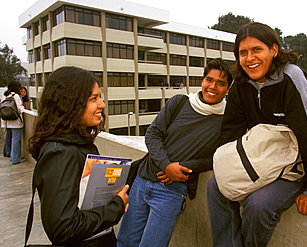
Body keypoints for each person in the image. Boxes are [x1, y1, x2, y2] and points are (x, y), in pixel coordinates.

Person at [207, 22, 307, 247]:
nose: (249, 58)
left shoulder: (291, 77)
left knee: (258, 205)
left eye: (257, 50)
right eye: (243, 53)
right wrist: (225, 165)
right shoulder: (241, 84)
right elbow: (230, 131)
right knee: (216, 185)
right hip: (262, 159)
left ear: (274, 50)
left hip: (293, 166)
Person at [116, 58, 233, 247]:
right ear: (202, 81)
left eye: (221, 83)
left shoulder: (227, 120)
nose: (213, 86)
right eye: (209, 80)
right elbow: (153, 134)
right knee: (125, 242)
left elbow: (219, 158)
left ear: (228, 89)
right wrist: (167, 165)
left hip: (171, 192)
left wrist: (184, 167)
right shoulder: (180, 102)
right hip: (141, 181)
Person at [27, 66, 129, 246]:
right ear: (69, 103)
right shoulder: (60, 153)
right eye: (93, 98)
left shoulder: (76, 143)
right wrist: (116, 207)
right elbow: (63, 228)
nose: (102, 105)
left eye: (100, 97)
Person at [1, 80, 25, 164]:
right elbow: (19, 109)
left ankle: (8, 153)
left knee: (9, 137)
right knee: (16, 139)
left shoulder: (6, 95)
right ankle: (15, 158)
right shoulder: (16, 96)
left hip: (7, 121)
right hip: (16, 122)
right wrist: (23, 108)